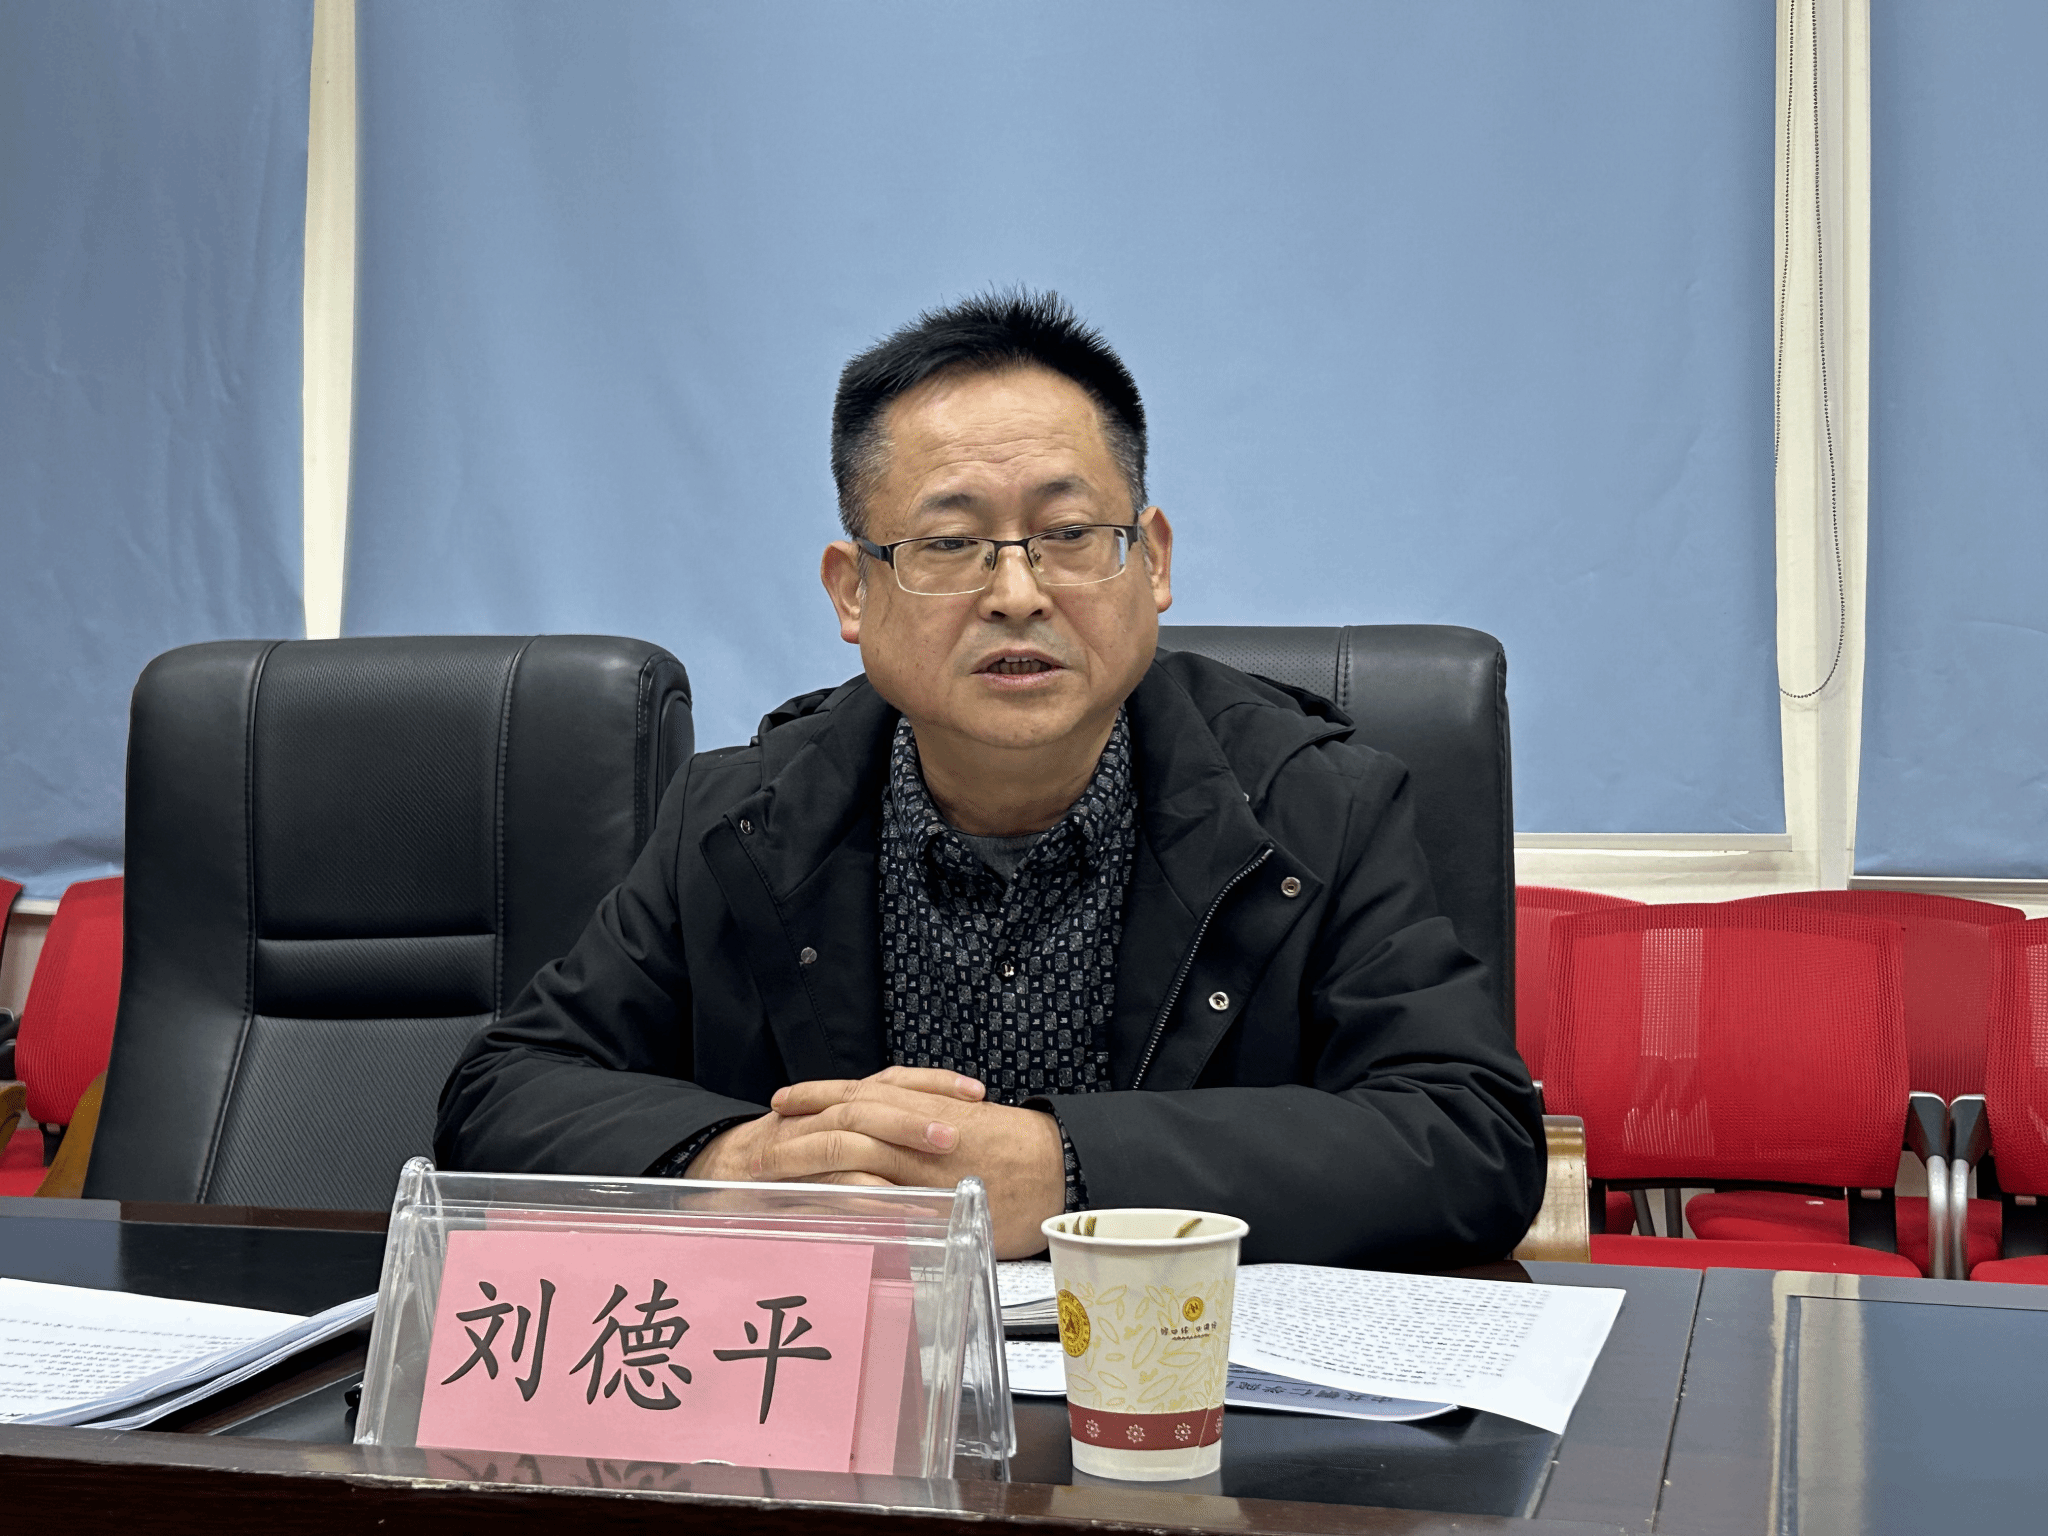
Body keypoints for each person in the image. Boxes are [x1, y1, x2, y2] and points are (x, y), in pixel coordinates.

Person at [437, 291, 1545, 1265]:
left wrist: (1070, 1173)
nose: (1017, 593)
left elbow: (1469, 1138)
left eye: (1068, 534)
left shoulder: (1316, 807)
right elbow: (505, 1096)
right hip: (851, 1394)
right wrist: (732, 1164)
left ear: (1152, 561)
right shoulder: (741, 819)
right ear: (853, 592)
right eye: (949, 543)